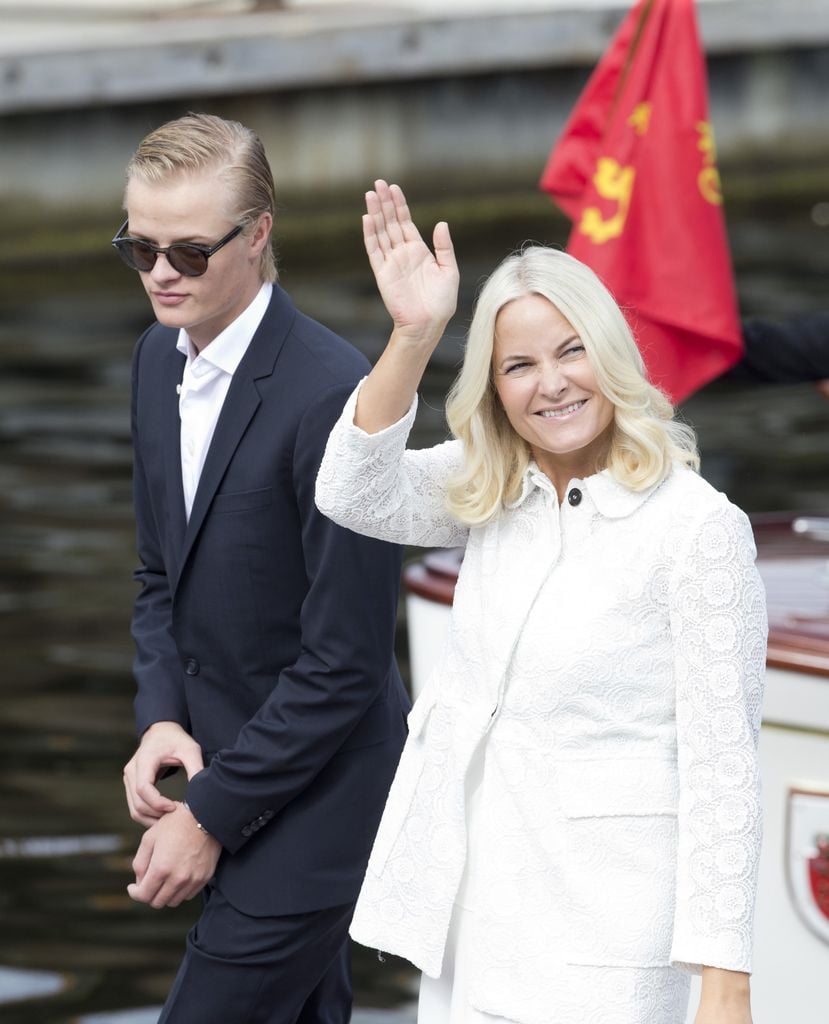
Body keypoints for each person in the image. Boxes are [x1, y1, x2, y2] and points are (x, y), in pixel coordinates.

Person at [315, 180, 767, 1024]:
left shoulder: (698, 529)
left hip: (611, 942)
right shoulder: (490, 485)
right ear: (493, 387)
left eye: (570, 352)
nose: (550, 384)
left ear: (611, 356)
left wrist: (724, 985)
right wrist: (414, 334)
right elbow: (352, 491)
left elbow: (723, 772)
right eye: (518, 365)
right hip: (473, 921)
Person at [116, 116, 409, 1024]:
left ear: (258, 234)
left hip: (322, 805)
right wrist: (161, 715)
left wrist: (207, 816)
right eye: (139, 247)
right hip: (224, 768)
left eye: (191, 252)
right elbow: (159, 574)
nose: (162, 273)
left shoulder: (333, 395)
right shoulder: (151, 358)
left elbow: (347, 661)